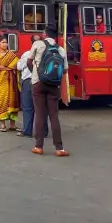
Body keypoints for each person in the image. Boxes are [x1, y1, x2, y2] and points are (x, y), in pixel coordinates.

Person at [30, 26, 70, 157]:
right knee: (54, 116)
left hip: (38, 84)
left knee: (40, 115)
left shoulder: (38, 44)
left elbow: (29, 61)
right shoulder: (61, 49)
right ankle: (60, 148)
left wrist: (36, 74)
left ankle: (38, 146)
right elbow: (64, 70)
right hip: (54, 86)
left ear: (45, 34)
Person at [17, 36, 46, 138]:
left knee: (28, 107)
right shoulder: (46, 54)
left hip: (28, 82)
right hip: (42, 82)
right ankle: (43, 132)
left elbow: (19, 67)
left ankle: (27, 131)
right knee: (41, 107)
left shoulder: (26, 54)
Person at [0, 36, 19, 132]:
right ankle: (2, 125)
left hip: (11, 81)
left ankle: (12, 125)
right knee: (1, 101)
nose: (5, 44)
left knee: (12, 101)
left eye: (6, 42)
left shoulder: (11, 54)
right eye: (3, 42)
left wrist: (9, 68)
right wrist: (8, 68)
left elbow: (16, 65)